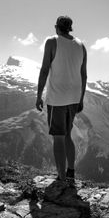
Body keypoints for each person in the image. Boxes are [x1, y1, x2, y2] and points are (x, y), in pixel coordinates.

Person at [36, 15, 87, 181]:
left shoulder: (52, 41)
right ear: (70, 27)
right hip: (73, 97)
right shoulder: (81, 45)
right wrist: (81, 99)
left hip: (57, 98)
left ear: (56, 26)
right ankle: (70, 171)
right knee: (67, 135)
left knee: (58, 137)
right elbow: (84, 75)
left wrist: (38, 95)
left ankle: (61, 177)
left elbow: (44, 69)